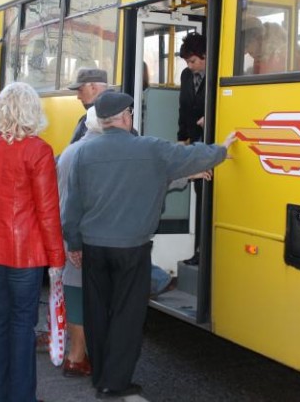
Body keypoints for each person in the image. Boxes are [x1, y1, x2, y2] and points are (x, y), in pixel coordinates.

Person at [62, 91, 236, 399]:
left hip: (93, 247)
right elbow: (192, 156)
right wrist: (222, 149)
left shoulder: (82, 153)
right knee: (127, 317)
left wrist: (74, 243)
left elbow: (72, 207)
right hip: (131, 248)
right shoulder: (150, 149)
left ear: (102, 121)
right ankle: (115, 383)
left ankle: (100, 375)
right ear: (127, 117)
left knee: (98, 313)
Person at [0, 82, 64, 402]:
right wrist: (56, 259)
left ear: (0, 110)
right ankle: (22, 397)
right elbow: (47, 212)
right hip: (27, 254)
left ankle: (0, 395)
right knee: (22, 324)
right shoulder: (39, 150)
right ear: (33, 110)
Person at [56, 106, 102, 378]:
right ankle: (80, 356)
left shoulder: (70, 151)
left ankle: (74, 357)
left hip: (68, 233)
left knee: (74, 293)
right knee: (94, 297)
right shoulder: (99, 153)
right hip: (87, 236)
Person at [177, 32, 207, 266]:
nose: (190, 66)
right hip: (195, 144)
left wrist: (212, 118)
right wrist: (182, 138)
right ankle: (199, 250)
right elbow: (183, 109)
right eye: (187, 62)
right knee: (199, 195)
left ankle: (206, 250)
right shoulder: (187, 76)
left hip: (212, 144)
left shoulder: (218, 73)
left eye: (193, 61)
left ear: (206, 56)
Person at [68, 68, 109, 144]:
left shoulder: (88, 120)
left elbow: (75, 151)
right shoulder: (122, 114)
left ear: (93, 88)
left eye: (80, 90)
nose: (78, 97)